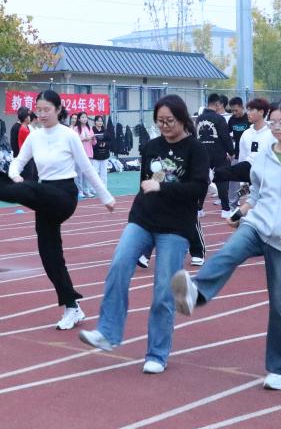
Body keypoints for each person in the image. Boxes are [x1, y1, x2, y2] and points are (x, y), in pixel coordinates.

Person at [171, 99, 281, 391]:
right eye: (273, 122)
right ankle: (195, 292)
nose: (277, 127)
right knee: (229, 252)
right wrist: (240, 212)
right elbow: (256, 192)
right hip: (258, 224)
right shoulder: (266, 155)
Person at [78, 95, 209, 373]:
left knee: (163, 291)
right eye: (160, 121)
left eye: (169, 121)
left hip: (175, 227)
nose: (164, 126)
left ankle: (157, 354)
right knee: (118, 266)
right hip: (143, 220)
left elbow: (198, 189)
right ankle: (108, 332)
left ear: (182, 119)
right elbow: (144, 186)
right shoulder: (151, 147)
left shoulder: (195, 149)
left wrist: (164, 188)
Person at [0, 90, 116, 329]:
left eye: (46, 109)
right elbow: (18, 161)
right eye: (38, 110)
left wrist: (106, 197)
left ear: (58, 110)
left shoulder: (69, 135)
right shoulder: (35, 137)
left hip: (64, 195)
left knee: (32, 188)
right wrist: (14, 174)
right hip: (44, 197)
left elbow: (87, 168)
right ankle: (72, 306)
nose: (42, 114)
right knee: (50, 257)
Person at [196, 93, 235, 218]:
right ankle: (225, 210)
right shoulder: (219, 119)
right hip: (218, 154)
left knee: (203, 182)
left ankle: (199, 209)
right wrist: (231, 152)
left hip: (202, 154)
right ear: (217, 104)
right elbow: (225, 137)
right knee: (222, 180)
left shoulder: (199, 119)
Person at [73, 111, 96, 197]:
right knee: (79, 174)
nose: (84, 119)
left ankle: (86, 190)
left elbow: (94, 143)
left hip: (88, 153)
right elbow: (74, 141)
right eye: (82, 117)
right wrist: (84, 139)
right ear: (79, 119)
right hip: (79, 154)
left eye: (85, 117)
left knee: (87, 174)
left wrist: (93, 139)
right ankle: (80, 191)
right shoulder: (76, 129)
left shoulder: (89, 128)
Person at [90, 114, 110, 193]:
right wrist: (98, 144)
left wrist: (105, 144)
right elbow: (91, 142)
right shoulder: (92, 130)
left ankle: (104, 188)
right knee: (95, 173)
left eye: (101, 121)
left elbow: (109, 141)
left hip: (104, 155)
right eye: (98, 121)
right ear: (95, 122)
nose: (100, 122)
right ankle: (93, 189)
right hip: (95, 155)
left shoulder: (106, 131)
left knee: (104, 173)